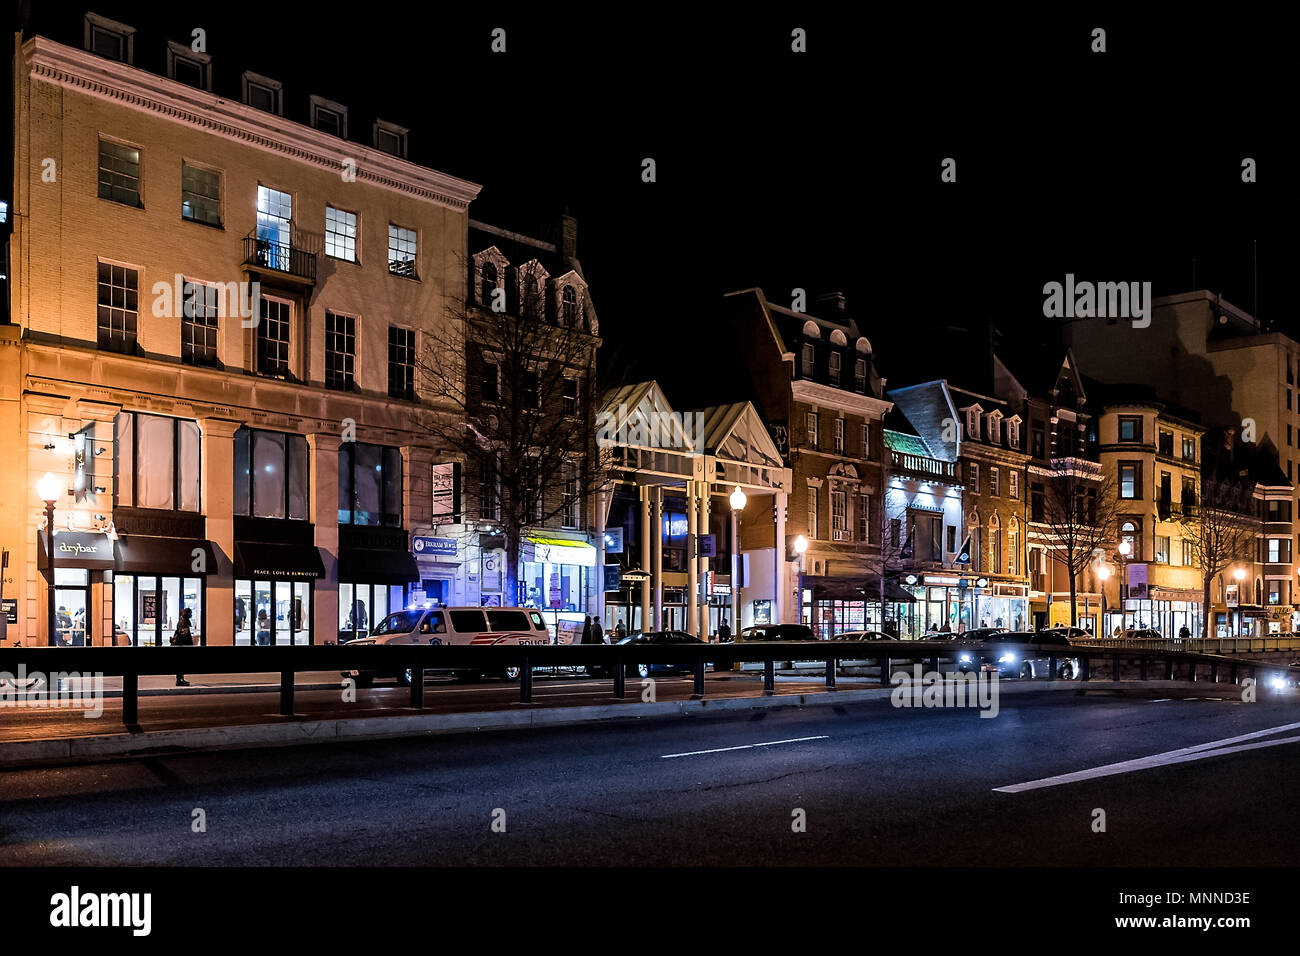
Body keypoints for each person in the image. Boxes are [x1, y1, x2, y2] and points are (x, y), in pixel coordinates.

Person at [172, 607, 194, 686]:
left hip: (181, 646)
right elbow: (183, 635)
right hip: (182, 646)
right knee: (181, 663)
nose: (191, 614)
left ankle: (181, 679)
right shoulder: (183, 622)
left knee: (181, 663)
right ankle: (179, 680)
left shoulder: (183, 621)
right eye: (190, 613)